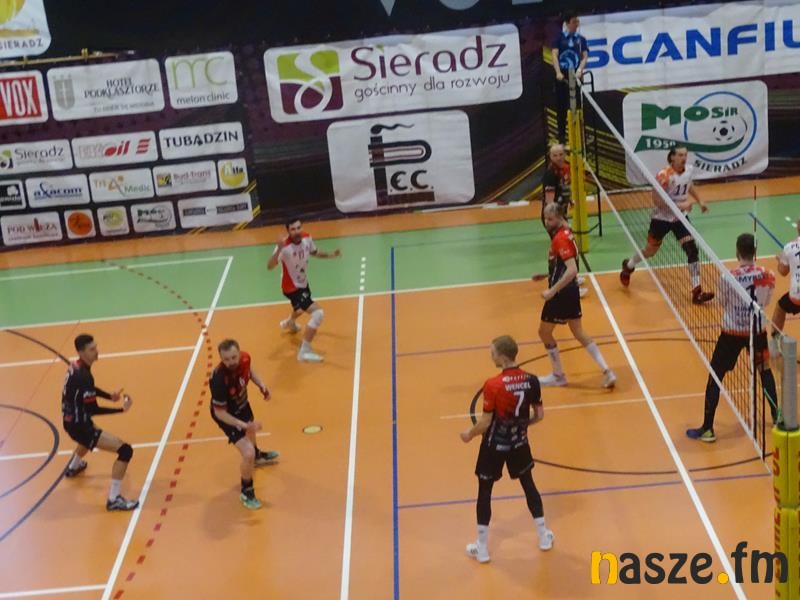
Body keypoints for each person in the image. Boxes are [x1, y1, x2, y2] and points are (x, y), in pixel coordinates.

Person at [460, 335, 554, 563]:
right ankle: (543, 536)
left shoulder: (493, 385)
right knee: (528, 484)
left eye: (492, 353)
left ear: (502, 357)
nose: (491, 357)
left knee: (485, 490)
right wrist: (520, 426)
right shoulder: (532, 381)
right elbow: (539, 415)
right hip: (519, 443)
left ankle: (482, 548)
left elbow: (485, 422)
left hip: (494, 446)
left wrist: (469, 434)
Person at [687, 234, 779, 442]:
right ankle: (777, 417)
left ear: (737, 252)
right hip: (757, 331)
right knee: (765, 371)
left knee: (715, 376)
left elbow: (723, 302)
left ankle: (708, 429)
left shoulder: (727, 277)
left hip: (731, 333)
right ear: (755, 252)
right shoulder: (768, 275)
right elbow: (765, 302)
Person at [619, 146, 715, 305]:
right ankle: (629, 265)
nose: (683, 158)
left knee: (692, 250)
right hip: (661, 219)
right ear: (672, 158)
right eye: (680, 155)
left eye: (685, 155)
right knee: (650, 251)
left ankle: (697, 292)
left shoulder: (688, 170)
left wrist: (700, 201)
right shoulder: (664, 176)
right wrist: (680, 206)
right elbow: (657, 201)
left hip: (679, 218)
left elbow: (689, 185)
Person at [537, 203, 616, 388]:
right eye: (545, 219)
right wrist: (548, 273)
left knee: (544, 332)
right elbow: (564, 265)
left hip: (561, 292)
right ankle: (607, 371)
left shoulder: (560, 239)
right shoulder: (567, 231)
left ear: (559, 217)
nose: (547, 223)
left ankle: (558, 375)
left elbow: (572, 270)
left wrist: (551, 291)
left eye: (550, 219)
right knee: (578, 331)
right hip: (571, 290)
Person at [61, 334, 139, 511]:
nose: (97, 351)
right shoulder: (84, 376)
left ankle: (73, 467)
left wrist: (109, 396)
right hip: (80, 425)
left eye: (96, 347)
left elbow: (88, 389)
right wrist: (121, 409)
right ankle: (114, 499)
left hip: (70, 420)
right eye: (92, 349)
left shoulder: (76, 367)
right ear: (81, 352)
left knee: (88, 436)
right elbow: (93, 409)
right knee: (125, 450)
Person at [209, 339, 279, 510]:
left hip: (241, 403)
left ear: (239, 354)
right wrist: (243, 425)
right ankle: (246, 491)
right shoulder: (219, 379)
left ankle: (258, 457)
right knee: (247, 453)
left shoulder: (245, 358)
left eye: (234, 357)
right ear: (221, 359)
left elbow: (249, 370)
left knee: (251, 432)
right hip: (226, 414)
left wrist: (261, 384)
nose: (231, 362)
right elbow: (220, 413)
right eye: (226, 359)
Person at [267, 218, 341, 362]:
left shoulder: (307, 238)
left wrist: (331, 254)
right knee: (318, 314)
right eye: (293, 229)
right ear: (288, 231)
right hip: (291, 287)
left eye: (298, 227)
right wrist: (278, 249)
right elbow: (269, 266)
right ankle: (304, 351)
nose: (297, 231)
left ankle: (290, 322)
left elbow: (314, 252)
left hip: (302, 283)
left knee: (300, 309)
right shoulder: (284, 246)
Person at [541, 143, 588, 297]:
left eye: (561, 154)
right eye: (555, 155)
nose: (558, 157)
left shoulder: (564, 169)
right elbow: (550, 204)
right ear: (550, 157)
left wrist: (570, 201)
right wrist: (559, 221)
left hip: (560, 216)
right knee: (563, 253)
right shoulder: (550, 174)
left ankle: (571, 278)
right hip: (554, 219)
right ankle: (568, 285)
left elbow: (564, 189)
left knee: (568, 249)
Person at [551, 12, 588, 144]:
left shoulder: (581, 39)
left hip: (576, 74)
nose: (576, 24)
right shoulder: (559, 38)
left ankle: (581, 133)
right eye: (573, 22)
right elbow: (554, 55)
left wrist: (580, 70)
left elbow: (585, 57)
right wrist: (558, 72)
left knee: (578, 105)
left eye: (577, 22)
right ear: (567, 23)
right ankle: (562, 135)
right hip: (563, 74)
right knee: (561, 105)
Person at [770, 219, 800, 353]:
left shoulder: (789, 247)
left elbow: (783, 272)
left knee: (780, 307)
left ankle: (776, 342)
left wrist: (780, 260)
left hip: (797, 295)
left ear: (797, 229)